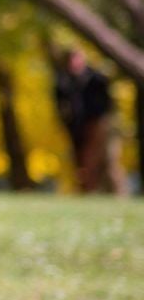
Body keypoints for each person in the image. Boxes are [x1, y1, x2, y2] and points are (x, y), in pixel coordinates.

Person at [53, 49, 126, 194]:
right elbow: (61, 107)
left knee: (108, 161)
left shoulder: (96, 79)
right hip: (77, 127)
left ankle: (118, 193)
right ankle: (89, 191)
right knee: (83, 163)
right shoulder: (64, 82)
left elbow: (106, 104)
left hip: (98, 123)